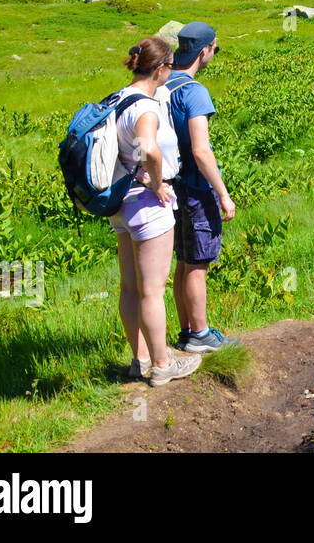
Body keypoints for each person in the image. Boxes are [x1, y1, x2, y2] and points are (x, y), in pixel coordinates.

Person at [110, 36, 201, 386]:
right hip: (147, 205)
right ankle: (163, 365)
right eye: (169, 66)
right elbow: (149, 149)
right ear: (161, 68)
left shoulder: (119, 98)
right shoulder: (145, 107)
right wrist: (157, 182)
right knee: (153, 290)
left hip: (121, 206)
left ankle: (140, 359)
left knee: (130, 288)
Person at [165, 21, 238, 354]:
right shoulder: (194, 91)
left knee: (183, 261)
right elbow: (201, 149)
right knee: (198, 264)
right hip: (194, 187)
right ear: (205, 51)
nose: (214, 54)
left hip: (168, 188)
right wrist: (222, 193)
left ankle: (186, 331)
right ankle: (200, 334)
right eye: (215, 49)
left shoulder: (162, 85)